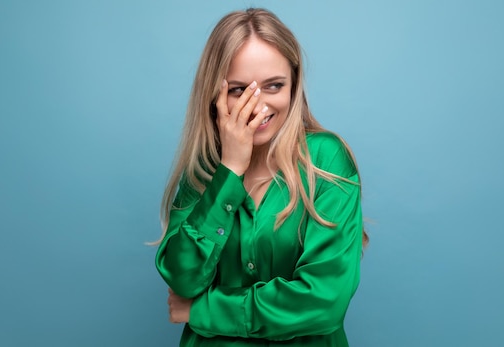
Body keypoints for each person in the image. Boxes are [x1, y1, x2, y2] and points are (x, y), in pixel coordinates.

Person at [154, 7, 368, 346]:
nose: (257, 106)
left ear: (294, 84)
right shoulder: (202, 169)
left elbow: (325, 302)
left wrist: (205, 309)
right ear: (214, 94)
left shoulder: (326, 160)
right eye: (239, 90)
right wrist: (230, 171)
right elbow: (183, 279)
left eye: (273, 86)